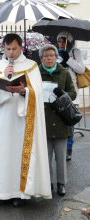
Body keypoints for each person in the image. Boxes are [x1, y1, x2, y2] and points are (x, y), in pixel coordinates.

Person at [0, 33, 51, 207]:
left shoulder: (31, 66)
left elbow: (38, 92)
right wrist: (3, 76)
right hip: (2, 118)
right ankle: (2, 191)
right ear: (4, 47)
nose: (11, 53)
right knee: (3, 153)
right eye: (8, 49)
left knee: (19, 154)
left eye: (14, 49)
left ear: (21, 47)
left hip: (22, 121)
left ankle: (20, 193)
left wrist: (24, 91)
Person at [39, 44, 76, 196]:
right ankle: (47, 183)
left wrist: (62, 94)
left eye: (52, 55)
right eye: (46, 56)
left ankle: (61, 184)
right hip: (44, 119)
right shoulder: (36, 73)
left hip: (61, 119)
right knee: (46, 155)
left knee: (61, 156)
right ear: (41, 58)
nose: (49, 58)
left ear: (56, 57)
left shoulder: (64, 72)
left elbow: (73, 93)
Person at [56, 31, 85, 161]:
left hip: (70, 89)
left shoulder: (75, 52)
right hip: (56, 89)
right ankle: (58, 148)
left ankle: (69, 148)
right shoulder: (54, 51)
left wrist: (69, 60)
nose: (61, 44)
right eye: (60, 41)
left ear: (69, 41)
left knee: (69, 118)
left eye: (64, 41)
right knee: (57, 118)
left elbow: (81, 69)